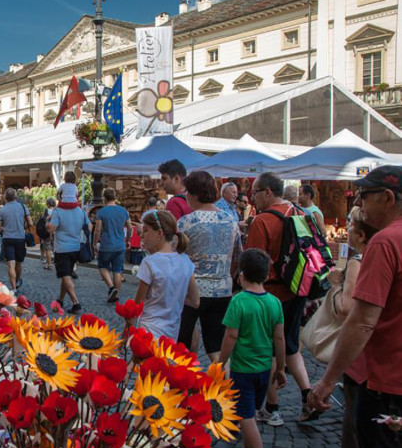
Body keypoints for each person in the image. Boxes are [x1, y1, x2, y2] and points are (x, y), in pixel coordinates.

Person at [309, 165, 402, 448]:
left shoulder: (385, 242)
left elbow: (362, 321)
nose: (358, 203)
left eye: (364, 195)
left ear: (388, 198)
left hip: (384, 383)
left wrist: (327, 380)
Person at [247, 172, 313, 425]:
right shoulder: (299, 213)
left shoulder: (262, 220)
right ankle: (308, 396)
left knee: (270, 350)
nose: (252, 197)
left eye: (255, 192)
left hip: (272, 294)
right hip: (297, 288)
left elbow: (254, 261)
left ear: (267, 192)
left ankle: (272, 408)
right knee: (291, 345)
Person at [218, 248, 286, 448]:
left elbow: (231, 336)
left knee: (245, 416)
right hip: (264, 369)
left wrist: (221, 362)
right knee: (252, 411)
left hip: (243, 370)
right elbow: (279, 338)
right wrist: (281, 368)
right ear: (266, 275)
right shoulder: (275, 303)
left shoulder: (238, 301)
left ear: (241, 275)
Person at [327, 208, 378, 448]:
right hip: (379, 360)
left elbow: (347, 309)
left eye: (349, 225)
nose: (345, 230)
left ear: (359, 234)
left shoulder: (359, 261)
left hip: (361, 358)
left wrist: (336, 285)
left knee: (354, 433)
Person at [178, 171, 242, 361]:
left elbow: (176, 256)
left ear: (195, 194)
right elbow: (238, 254)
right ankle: (223, 378)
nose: (186, 196)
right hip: (222, 290)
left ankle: (183, 376)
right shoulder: (230, 220)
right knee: (216, 346)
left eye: (187, 192)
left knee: (182, 344)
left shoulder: (187, 222)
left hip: (192, 292)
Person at [134, 210, 199, 340]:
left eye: (145, 230)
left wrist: (127, 329)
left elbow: (137, 305)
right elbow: (195, 301)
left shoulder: (150, 262)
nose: (142, 235)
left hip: (148, 330)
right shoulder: (185, 261)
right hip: (172, 333)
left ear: (159, 233)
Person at [46, 203, 90, 314]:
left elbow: (51, 229)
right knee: (66, 275)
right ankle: (60, 300)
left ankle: (76, 303)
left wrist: (47, 221)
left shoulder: (58, 211)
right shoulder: (80, 211)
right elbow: (89, 226)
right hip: (76, 247)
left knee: (65, 275)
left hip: (62, 248)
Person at [93, 188, 132, 304]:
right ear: (115, 197)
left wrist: (94, 243)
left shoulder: (101, 212)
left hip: (106, 244)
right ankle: (116, 295)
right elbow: (130, 227)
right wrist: (127, 239)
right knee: (117, 270)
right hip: (120, 245)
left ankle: (111, 287)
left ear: (104, 198)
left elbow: (97, 230)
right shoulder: (123, 211)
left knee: (102, 266)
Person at [0, 188, 32, 291]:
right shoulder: (23, 207)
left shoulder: (1, 210)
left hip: (7, 238)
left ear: (5, 198)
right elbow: (30, 223)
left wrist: (4, 229)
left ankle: (14, 288)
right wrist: (21, 227)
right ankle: (17, 280)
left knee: (11, 264)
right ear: (15, 197)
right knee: (19, 263)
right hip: (20, 238)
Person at [39, 197, 57, 270]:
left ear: (48, 204)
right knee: (55, 247)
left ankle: (49, 264)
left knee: (47, 248)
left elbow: (44, 221)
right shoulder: (57, 211)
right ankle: (56, 261)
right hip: (56, 231)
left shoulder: (47, 211)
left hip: (48, 231)